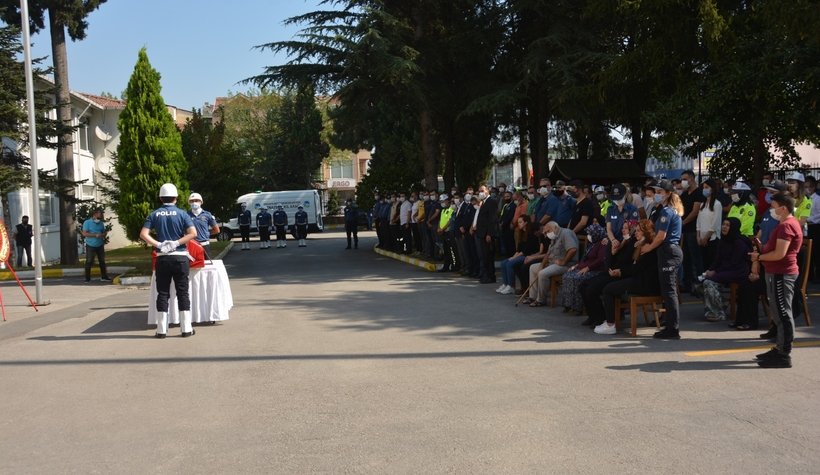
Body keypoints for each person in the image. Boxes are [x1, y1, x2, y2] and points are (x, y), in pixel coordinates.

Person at [139, 183, 198, 338]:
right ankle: (186, 329)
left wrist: (159, 244)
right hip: (180, 257)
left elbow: (143, 234)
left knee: (163, 293)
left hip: (162, 258)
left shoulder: (154, 214)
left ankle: (161, 330)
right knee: (182, 292)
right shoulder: (183, 214)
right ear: (176, 198)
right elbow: (193, 233)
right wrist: (177, 243)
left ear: (160, 198)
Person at [751, 193, 802, 368]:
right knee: (778, 313)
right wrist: (760, 251)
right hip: (776, 272)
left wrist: (760, 256)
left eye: (773, 206)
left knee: (782, 313)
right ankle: (780, 347)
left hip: (782, 273)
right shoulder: (783, 224)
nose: (771, 209)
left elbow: (780, 254)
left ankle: (784, 353)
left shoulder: (786, 226)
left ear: (783, 208)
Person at [594, 219, 660, 335]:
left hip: (645, 284)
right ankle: (611, 320)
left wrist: (621, 272)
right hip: (638, 279)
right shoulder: (640, 244)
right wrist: (620, 271)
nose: (636, 233)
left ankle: (610, 324)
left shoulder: (649, 247)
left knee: (608, 289)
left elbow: (637, 269)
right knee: (610, 286)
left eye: (639, 231)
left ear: (646, 232)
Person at [640, 180, 684, 339]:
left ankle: (673, 328)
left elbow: (661, 237)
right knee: (667, 290)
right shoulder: (666, 210)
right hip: (666, 251)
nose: (657, 194)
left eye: (660, 191)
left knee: (670, 291)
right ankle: (670, 325)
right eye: (656, 191)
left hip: (668, 251)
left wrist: (648, 248)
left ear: (668, 193)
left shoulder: (667, 212)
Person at [581, 220, 638, 327]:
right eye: (623, 228)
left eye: (626, 228)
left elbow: (629, 263)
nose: (623, 230)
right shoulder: (621, 241)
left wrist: (619, 271)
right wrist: (612, 252)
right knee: (583, 285)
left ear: (632, 230)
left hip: (621, 275)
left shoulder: (633, 243)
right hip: (610, 272)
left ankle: (600, 318)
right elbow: (608, 261)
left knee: (592, 289)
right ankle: (593, 316)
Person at [701, 218, 752, 322]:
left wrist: (715, 272)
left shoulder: (739, 242)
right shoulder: (723, 241)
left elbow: (734, 263)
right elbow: (717, 260)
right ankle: (722, 304)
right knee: (699, 281)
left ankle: (717, 313)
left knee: (708, 282)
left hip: (738, 271)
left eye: (727, 225)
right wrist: (709, 270)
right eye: (723, 224)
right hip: (725, 270)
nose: (724, 227)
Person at [523, 222, 578, 307]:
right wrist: (542, 265)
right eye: (544, 233)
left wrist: (563, 261)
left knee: (543, 273)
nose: (546, 235)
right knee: (533, 268)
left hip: (566, 265)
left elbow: (573, 249)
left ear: (554, 228)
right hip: (553, 263)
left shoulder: (565, 233)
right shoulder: (554, 236)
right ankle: (532, 297)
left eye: (547, 231)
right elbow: (548, 254)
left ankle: (540, 300)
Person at [560, 223, 608, 315]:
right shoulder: (591, 244)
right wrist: (576, 266)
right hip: (584, 267)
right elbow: (584, 258)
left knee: (577, 278)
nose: (588, 236)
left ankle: (578, 307)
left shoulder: (602, 244)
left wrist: (588, 268)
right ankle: (568, 304)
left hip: (595, 270)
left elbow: (600, 260)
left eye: (590, 233)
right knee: (567, 276)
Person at [497, 215, 539, 295]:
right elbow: (518, 250)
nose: (518, 224)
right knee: (503, 263)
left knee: (510, 263)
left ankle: (511, 286)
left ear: (526, 222)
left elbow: (526, 251)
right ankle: (505, 284)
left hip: (528, 255)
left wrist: (514, 258)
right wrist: (513, 256)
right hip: (521, 254)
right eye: (518, 222)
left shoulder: (530, 234)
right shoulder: (521, 233)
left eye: (520, 222)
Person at [678, 170, 704, 294]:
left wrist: (683, 222)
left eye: (685, 179)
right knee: (686, 258)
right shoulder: (684, 194)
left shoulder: (698, 193)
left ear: (692, 179)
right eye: (682, 179)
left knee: (696, 259)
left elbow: (695, 211)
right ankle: (687, 283)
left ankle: (698, 284)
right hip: (685, 231)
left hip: (694, 230)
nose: (683, 182)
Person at [605, 183, 640, 257]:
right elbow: (608, 228)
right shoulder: (610, 209)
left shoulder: (632, 209)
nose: (617, 200)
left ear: (625, 195)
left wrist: (621, 245)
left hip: (626, 242)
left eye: (619, 198)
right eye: (615, 198)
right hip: (612, 241)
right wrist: (613, 241)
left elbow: (632, 229)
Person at [473, 184, 498, 283]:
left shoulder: (491, 201)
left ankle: (490, 276)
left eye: (482, 190)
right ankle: (486, 275)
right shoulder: (483, 202)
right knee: (483, 256)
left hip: (486, 234)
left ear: (487, 191)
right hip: (481, 233)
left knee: (488, 256)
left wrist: (489, 234)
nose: (480, 193)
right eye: (479, 191)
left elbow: (492, 219)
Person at [696, 179, 722, 270]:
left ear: (713, 189)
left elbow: (715, 224)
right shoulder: (702, 204)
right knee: (704, 263)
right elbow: (698, 221)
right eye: (703, 188)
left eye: (707, 187)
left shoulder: (717, 204)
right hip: (702, 238)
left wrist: (706, 238)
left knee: (712, 263)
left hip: (712, 239)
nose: (704, 189)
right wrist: (698, 236)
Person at [81, 208, 110, 282]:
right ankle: (87, 278)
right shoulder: (87, 222)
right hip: (90, 245)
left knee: (102, 261)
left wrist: (103, 234)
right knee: (89, 261)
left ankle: (104, 277)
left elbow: (103, 232)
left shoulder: (101, 223)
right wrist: (95, 235)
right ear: (95, 214)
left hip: (100, 245)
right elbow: (84, 233)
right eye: (99, 214)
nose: (100, 216)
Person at [437, 194, 457, 272]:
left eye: (443, 201)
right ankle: (446, 265)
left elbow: (449, 221)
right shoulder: (443, 210)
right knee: (445, 250)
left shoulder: (451, 209)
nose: (442, 203)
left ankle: (454, 265)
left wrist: (443, 228)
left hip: (448, 232)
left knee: (451, 250)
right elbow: (440, 220)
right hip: (443, 232)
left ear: (447, 200)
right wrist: (439, 228)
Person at [498, 190, 516, 258]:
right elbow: (502, 215)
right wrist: (500, 222)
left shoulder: (513, 206)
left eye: (508, 196)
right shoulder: (505, 206)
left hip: (509, 228)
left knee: (510, 245)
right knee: (506, 245)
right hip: (504, 228)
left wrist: (503, 223)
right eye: (505, 197)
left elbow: (510, 216)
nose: (506, 198)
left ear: (511, 197)